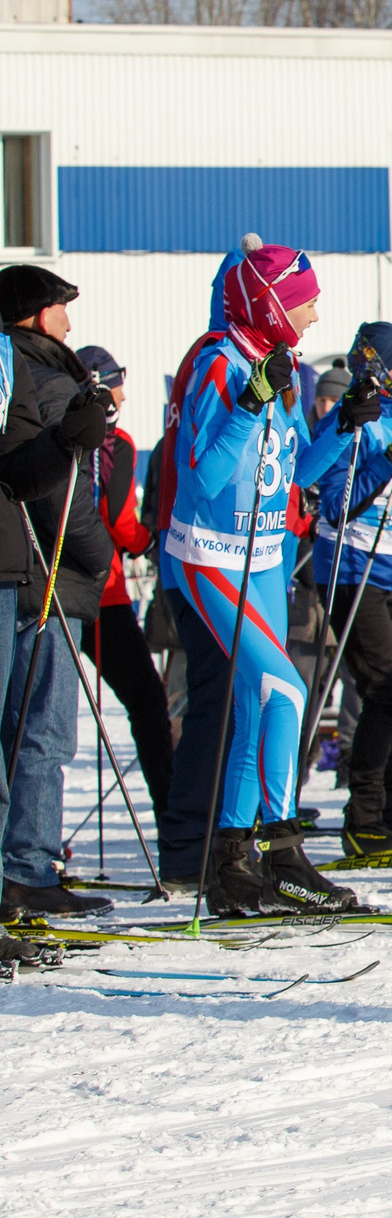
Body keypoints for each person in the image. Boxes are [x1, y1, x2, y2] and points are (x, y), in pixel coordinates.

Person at [156, 238, 353, 914]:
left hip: (265, 553)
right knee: (287, 689)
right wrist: (245, 406)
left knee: (258, 703)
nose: (315, 315)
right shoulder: (217, 361)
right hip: (211, 555)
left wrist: (347, 427)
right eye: (303, 302)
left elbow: (294, 471)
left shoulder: (284, 366)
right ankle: (282, 850)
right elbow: (202, 480)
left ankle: (236, 864)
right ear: (269, 303)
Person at [0, 266, 117, 916]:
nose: (70, 322)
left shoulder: (24, 369)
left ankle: (24, 864)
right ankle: (30, 864)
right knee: (42, 728)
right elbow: (59, 496)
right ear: (37, 315)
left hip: (30, 567)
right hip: (46, 574)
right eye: (60, 309)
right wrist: (98, 557)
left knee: (25, 727)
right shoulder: (41, 374)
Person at [297, 321, 392, 850]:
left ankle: (390, 812)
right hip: (354, 568)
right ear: (382, 364)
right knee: (383, 691)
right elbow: (332, 500)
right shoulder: (358, 417)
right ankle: (365, 816)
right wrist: (386, 462)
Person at [74, 344, 174, 818]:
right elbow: (117, 518)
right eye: (117, 384)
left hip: (51, 591)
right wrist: (147, 539)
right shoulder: (118, 442)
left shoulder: (58, 430)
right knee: (147, 702)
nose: (124, 396)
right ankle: (175, 822)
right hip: (102, 593)